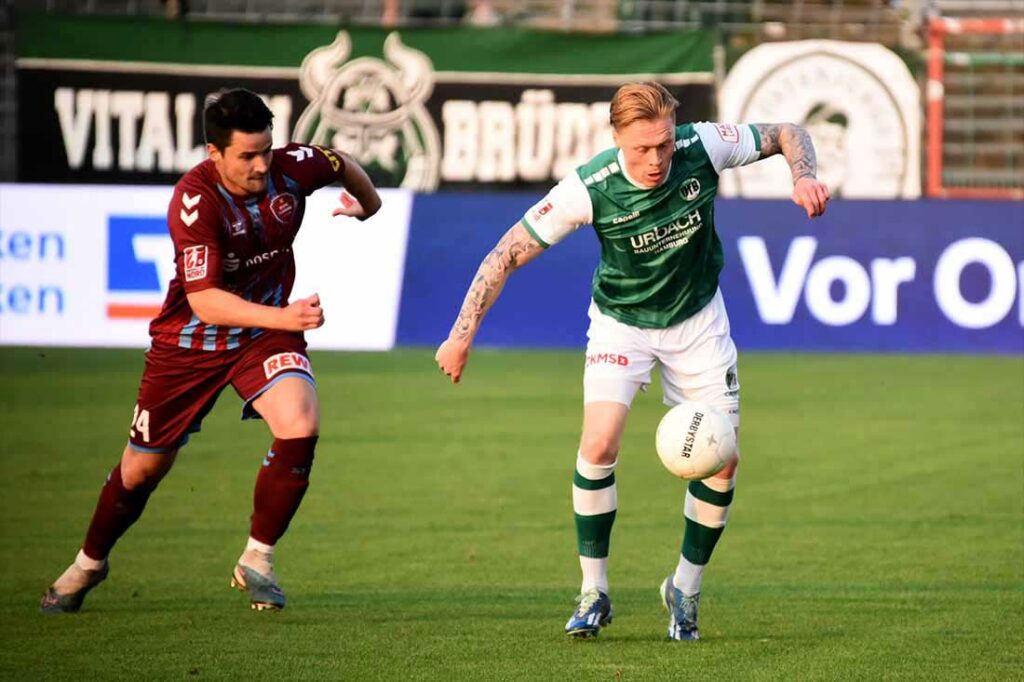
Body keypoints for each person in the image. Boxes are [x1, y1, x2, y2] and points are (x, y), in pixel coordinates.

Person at [435, 82, 829, 640]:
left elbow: (790, 132)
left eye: (664, 146)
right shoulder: (588, 187)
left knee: (723, 462)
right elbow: (504, 255)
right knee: (598, 444)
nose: (656, 160)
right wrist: (460, 335)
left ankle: (685, 590)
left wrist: (803, 175)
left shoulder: (703, 146)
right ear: (617, 137)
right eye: (642, 148)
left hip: (698, 322)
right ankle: (593, 591)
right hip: (622, 322)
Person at [40, 88, 382, 613]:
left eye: (266, 149)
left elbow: (340, 162)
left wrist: (368, 206)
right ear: (214, 154)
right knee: (142, 470)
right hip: (190, 342)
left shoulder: (291, 168)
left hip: (262, 333)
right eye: (247, 155)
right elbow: (205, 301)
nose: (261, 164)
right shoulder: (194, 201)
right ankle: (89, 563)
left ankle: (258, 559)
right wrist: (285, 316)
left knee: (300, 422)